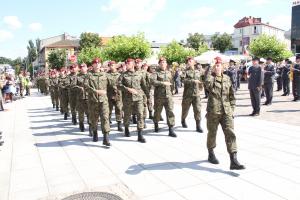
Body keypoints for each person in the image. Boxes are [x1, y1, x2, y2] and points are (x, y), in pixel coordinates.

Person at [205, 57, 245, 170]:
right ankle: (211, 152)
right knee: (212, 133)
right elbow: (207, 84)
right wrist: (209, 68)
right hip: (213, 112)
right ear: (213, 68)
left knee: (230, 133)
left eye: (219, 65)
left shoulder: (227, 78)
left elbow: (232, 96)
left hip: (226, 111)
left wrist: (232, 109)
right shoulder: (211, 78)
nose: (217, 67)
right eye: (215, 66)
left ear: (222, 67)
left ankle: (234, 160)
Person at [118, 58, 148, 143]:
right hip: (127, 99)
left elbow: (144, 85)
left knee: (140, 114)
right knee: (127, 115)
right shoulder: (123, 75)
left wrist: (148, 96)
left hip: (138, 98)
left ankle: (140, 134)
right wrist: (127, 89)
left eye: (129, 63)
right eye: (126, 64)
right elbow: (118, 85)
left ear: (133, 64)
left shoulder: (139, 74)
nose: (127, 65)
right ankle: (126, 128)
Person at [85, 58, 111, 146]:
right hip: (93, 101)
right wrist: (96, 91)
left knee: (105, 118)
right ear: (92, 65)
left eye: (98, 63)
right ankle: (95, 132)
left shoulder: (105, 75)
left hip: (104, 101)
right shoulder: (88, 75)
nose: (97, 65)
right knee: (94, 119)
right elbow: (86, 87)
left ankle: (106, 138)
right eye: (95, 63)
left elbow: (111, 86)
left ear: (101, 64)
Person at [152, 57, 177, 137]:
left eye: (164, 62)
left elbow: (172, 82)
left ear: (166, 64)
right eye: (161, 63)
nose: (163, 64)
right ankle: (156, 123)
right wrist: (163, 83)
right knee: (157, 111)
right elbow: (153, 82)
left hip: (168, 95)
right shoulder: (156, 73)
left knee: (170, 111)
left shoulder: (169, 72)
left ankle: (171, 129)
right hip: (159, 96)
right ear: (159, 64)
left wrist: (172, 91)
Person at [181, 56, 204, 133]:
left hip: (196, 94)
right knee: (185, 110)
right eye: (188, 61)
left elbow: (200, 80)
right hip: (187, 94)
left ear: (194, 62)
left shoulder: (198, 71)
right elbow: (183, 80)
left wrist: (201, 88)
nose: (189, 62)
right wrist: (193, 81)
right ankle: (183, 120)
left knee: (197, 110)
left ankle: (198, 126)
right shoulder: (185, 71)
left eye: (191, 61)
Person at [107, 61, 123, 132]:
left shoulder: (120, 75)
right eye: (110, 65)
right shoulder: (106, 74)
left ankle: (119, 124)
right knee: (108, 110)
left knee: (119, 109)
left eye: (113, 65)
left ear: (115, 66)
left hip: (118, 95)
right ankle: (108, 124)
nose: (111, 66)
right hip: (109, 94)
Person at [76, 63, 90, 133]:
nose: (82, 68)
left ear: (86, 68)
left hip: (89, 97)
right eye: (81, 67)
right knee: (81, 113)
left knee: (90, 113)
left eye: (84, 67)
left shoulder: (90, 75)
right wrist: (79, 88)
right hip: (80, 97)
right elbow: (72, 86)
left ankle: (91, 127)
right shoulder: (77, 76)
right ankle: (81, 124)